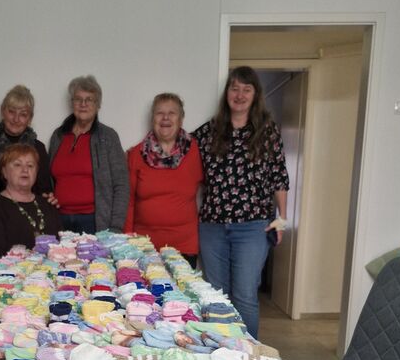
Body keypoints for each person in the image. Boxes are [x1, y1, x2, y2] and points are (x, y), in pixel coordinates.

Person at [193, 66, 290, 338]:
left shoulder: (267, 131)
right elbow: (181, 154)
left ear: (255, 95)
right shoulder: (209, 131)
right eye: (234, 88)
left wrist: (282, 220)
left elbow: (279, 177)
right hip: (213, 226)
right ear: (226, 93)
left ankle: (247, 355)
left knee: (245, 295)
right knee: (216, 295)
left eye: (247, 89)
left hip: (253, 227)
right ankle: (219, 350)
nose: (240, 95)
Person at [124, 93, 203, 265]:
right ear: (152, 118)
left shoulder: (196, 151)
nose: (165, 117)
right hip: (144, 246)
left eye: (172, 113)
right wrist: (128, 239)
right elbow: (128, 201)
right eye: (159, 113)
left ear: (181, 119)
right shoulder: (136, 154)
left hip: (184, 245)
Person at [48, 75, 128, 233]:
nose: (83, 104)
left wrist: (116, 227)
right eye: (78, 99)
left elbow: (122, 185)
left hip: (95, 221)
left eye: (89, 99)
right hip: (60, 219)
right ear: (72, 103)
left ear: (97, 104)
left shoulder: (108, 137)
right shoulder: (58, 136)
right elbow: (49, 180)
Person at [0, 144, 61, 262]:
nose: (25, 170)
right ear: (4, 171)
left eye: (30, 165)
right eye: (17, 165)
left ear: (36, 171)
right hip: (12, 272)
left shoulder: (48, 204)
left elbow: (61, 246)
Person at [0, 85, 52, 195]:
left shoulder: (38, 148)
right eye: (11, 112)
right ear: (2, 111)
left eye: (23, 114)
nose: (16, 119)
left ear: (30, 118)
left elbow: (45, 190)